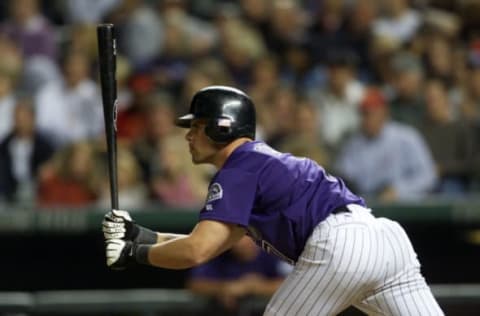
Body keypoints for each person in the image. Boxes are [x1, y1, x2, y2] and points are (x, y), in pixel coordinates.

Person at [103, 86, 444, 315]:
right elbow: (206, 241)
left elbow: (197, 252)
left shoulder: (238, 170)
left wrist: (135, 255)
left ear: (223, 127)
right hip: (386, 241)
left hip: (342, 246)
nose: (189, 135)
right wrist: (141, 236)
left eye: (198, 125)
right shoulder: (259, 163)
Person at [187, 235, 290, 315]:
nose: (243, 242)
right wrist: (225, 288)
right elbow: (196, 284)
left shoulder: (272, 251)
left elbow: (290, 285)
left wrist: (255, 287)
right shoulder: (220, 252)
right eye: (239, 237)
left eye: (247, 236)